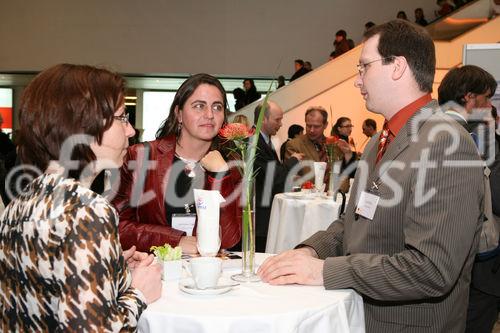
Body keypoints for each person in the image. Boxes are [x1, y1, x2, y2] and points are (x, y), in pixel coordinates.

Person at [259, 20, 484, 332]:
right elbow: (354, 224)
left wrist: (323, 271)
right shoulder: (380, 142)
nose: (357, 80)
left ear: (397, 67)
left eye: (364, 66)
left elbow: (430, 269)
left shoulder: (446, 143)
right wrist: (310, 251)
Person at [0, 64, 162, 330]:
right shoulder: (88, 209)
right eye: (122, 118)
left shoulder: (19, 205)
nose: (131, 130)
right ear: (83, 125)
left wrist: (112, 270)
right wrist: (139, 293)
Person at [112, 74, 241, 254]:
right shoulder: (141, 157)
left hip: (208, 271)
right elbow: (117, 227)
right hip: (155, 268)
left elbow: (228, 239)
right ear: (179, 114)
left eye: (217, 107)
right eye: (199, 106)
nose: (210, 115)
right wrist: (175, 240)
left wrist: (220, 175)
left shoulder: (229, 165)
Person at [438, 65, 500, 333]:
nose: (489, 106)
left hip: (468, 266)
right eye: (486, 98)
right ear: (468, 97)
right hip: (464, 262)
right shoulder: (455, 139)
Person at [253, 101, 303, 252]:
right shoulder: (253, 142)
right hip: (260, 215)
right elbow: (272, 175)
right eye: (277, 120)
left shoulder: (266, 140)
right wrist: (293, 160)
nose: (281, 124)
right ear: (263, 119)